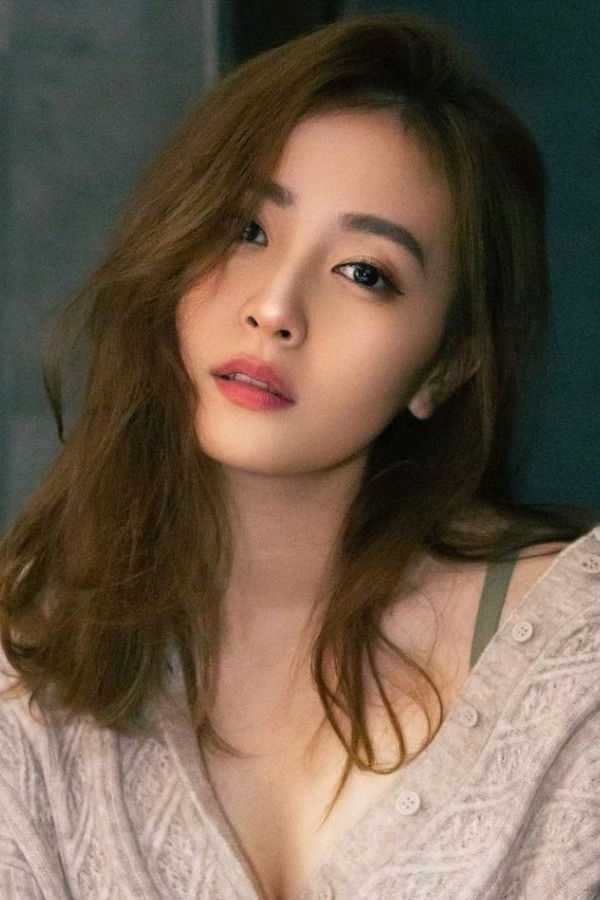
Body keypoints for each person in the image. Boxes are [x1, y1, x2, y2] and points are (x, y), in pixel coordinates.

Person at [1, 11, 599, 899]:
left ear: (445, 365)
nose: (275, 307)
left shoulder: (577, 662)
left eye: (365, 272)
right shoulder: (28, 658)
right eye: (246, 228)